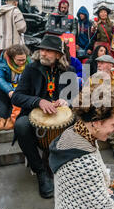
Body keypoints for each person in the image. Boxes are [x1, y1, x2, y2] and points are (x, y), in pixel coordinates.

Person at [11, 34, 73, 199]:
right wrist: (38, 101)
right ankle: (40, 172)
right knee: (21, 126)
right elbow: (17, 97)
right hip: (34, 115)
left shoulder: (69, 71)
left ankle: (66, 164)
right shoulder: (31, 69)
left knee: (81, 121)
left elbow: (75, 97)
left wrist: (66, 100)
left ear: (59, 55)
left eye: (49, 51)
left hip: (61, 117)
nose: (43, 53)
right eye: (42, 49)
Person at [0, 44, 30, 131]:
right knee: (2, 93)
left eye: (23, 60)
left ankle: (11, 118)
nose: (22, 62)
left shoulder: (30, 62)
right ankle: (2, 118)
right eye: (19, 60)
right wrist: (9, 90)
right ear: (12, 58)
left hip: (22, 88)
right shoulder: (4, 61)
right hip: (9, 86)